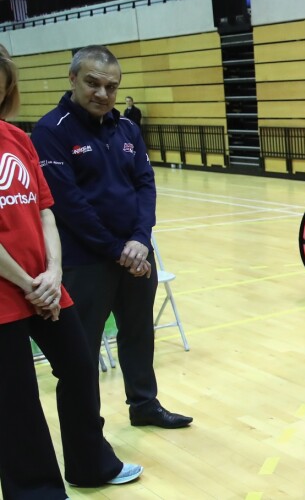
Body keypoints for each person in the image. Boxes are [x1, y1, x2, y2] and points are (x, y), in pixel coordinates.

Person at [0, 45, 142, 499]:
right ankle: (36, 491)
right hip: (10, 291)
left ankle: (89, 465)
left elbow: (45, 210)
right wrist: (28, 281)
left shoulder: (17, 138)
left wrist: (53, 271)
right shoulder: (48, 132)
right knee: (17, 396)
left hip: (45, 284)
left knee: (80, 369)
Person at [31, 45, 192, 429]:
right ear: (72, 79)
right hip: (86, 262)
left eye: (111, 86)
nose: (102, 94)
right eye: (92, 83)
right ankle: (88, 430)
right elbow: (68, 203)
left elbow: (145, 185)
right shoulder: (49, 132)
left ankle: (144, 404)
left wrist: (140, 239)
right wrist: (117, 249)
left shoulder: (127, 129)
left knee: (138, 334)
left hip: (136, 254)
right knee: (83, 347)